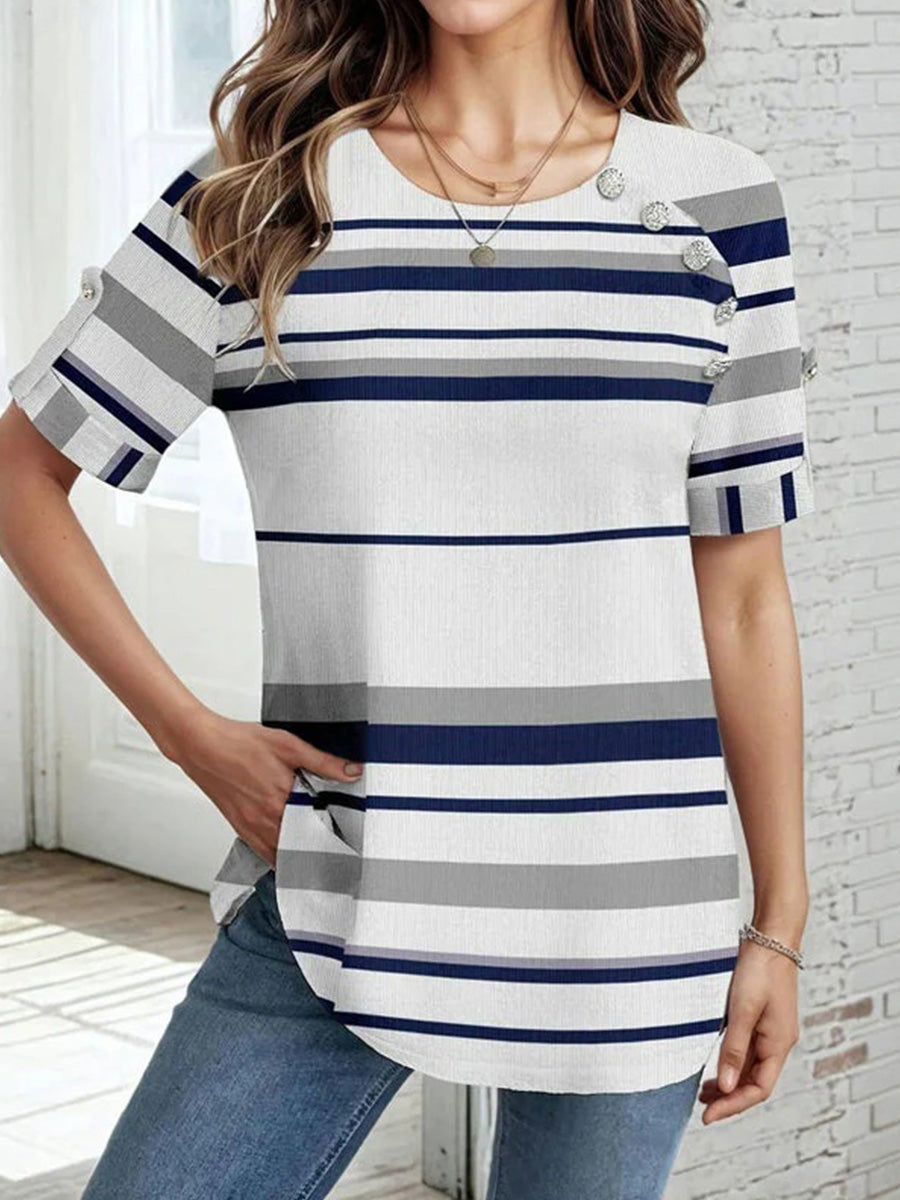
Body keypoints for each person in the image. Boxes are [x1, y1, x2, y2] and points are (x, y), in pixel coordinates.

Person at [0, 0, 816, 1196]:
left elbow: (742, 593)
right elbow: (22, 474)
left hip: (632, 908)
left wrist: (779, 921)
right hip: (346, 882)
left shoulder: (715, 205)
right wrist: (189, 736)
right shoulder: (262, 197)